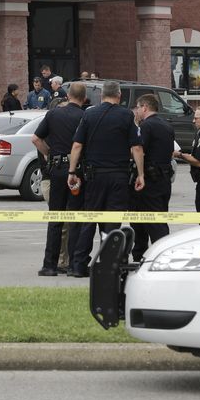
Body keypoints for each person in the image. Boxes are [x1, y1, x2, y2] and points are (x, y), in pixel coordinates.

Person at [67, 80, 144, 278]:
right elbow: (136, 147)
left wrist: (72, 172)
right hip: (118, 176)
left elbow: (77, 145)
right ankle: (108, 265)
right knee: (112, 222)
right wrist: (141, 174)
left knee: (89, 219)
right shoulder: (126, 115)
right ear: (119, 96)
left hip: (94, 176)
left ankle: (78, 265)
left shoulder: (89, 114)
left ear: (101, 96)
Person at [32, 82, 87, 276]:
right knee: (75, 218)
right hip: (77, 170)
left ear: (68, 95)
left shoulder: (53, 114)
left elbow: (36, 139)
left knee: (55, 218)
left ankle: (49, 265)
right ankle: (73, 264)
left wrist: (48, 155)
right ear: (84, 98)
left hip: (56, 169)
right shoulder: (84, 116)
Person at [130, 94, 176, 262]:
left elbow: (139, 150)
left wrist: (140, 174)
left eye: (137, 107)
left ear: (145, 107)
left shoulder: (146, 126)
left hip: (150, 180)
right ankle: (160, 255)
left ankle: (154, 258)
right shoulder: (167, 126)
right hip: (164, 179)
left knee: (149, 222)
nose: (136, 110)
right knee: (159, 218)